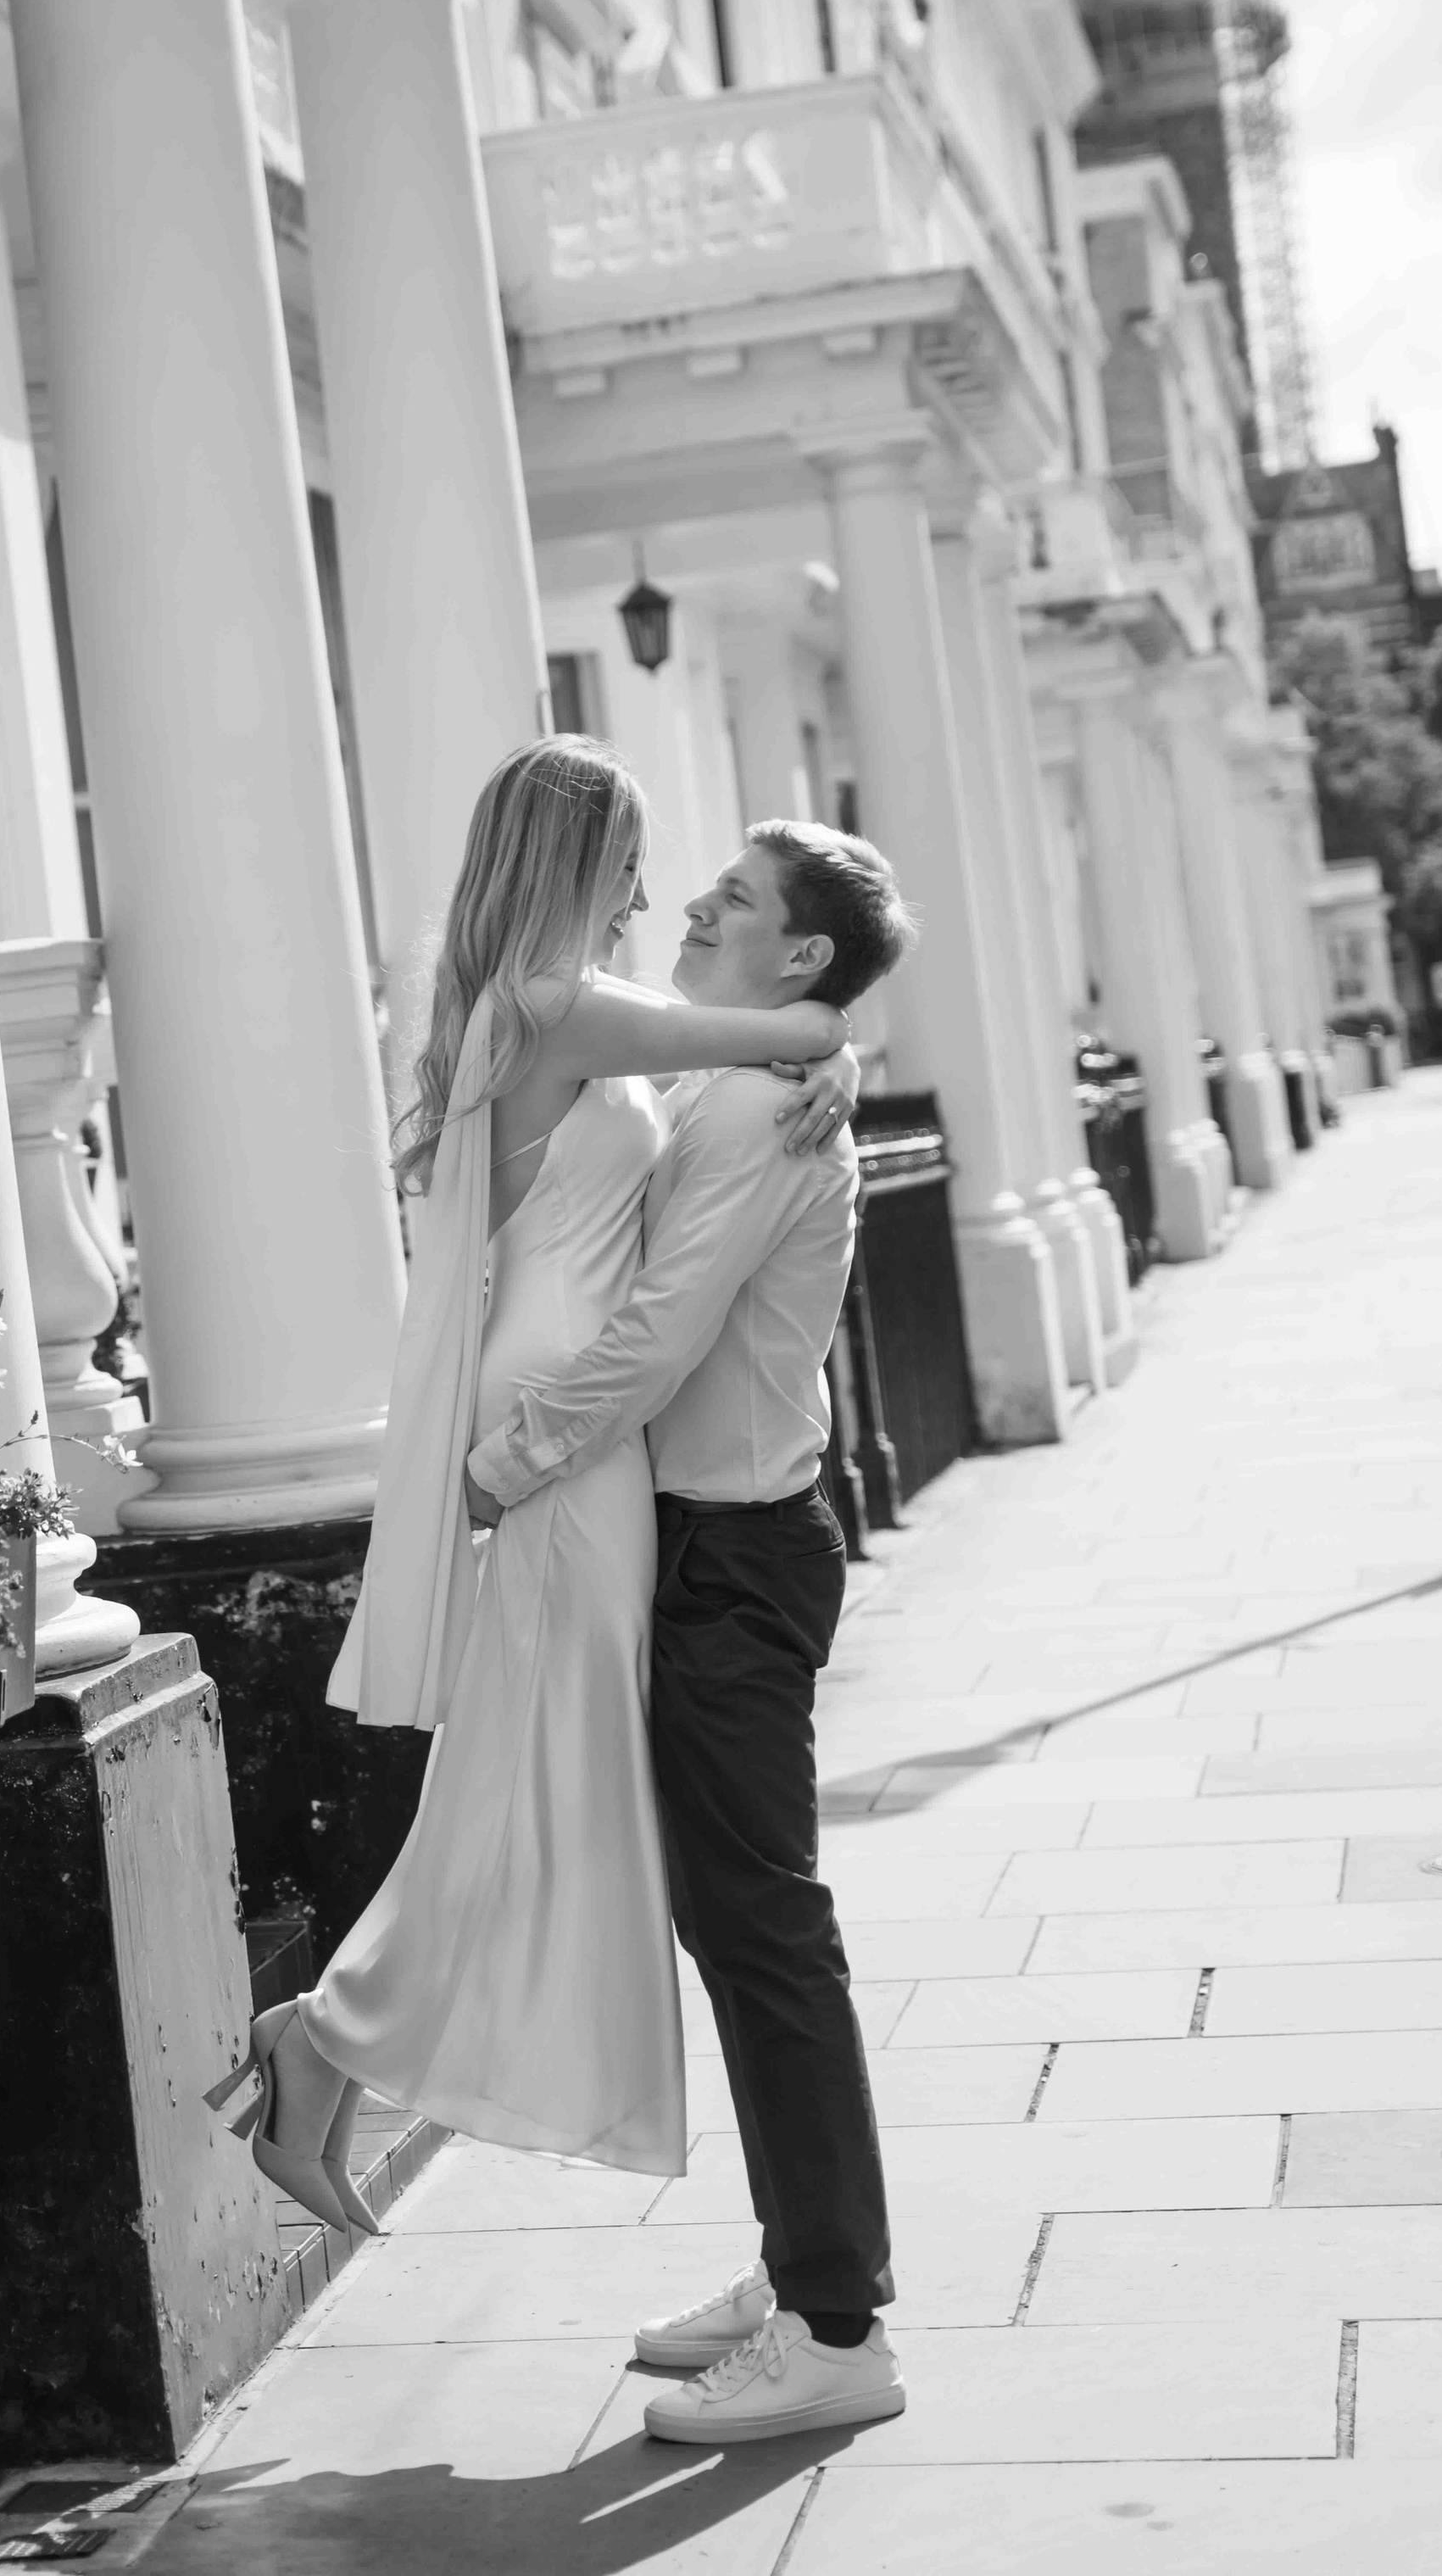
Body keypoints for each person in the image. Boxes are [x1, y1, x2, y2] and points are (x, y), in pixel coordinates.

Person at [209, 738, 861, 2228]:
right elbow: (789, 1018)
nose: (650, 890)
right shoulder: (552, 1004)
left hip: (560, 1394)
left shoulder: (534, 1004)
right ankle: (323, 2043)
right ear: (579, 860)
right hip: (569, 1405)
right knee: (538, 1768)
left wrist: (818, 1059)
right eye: (631, 857)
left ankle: (329, 2046)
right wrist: (828, 1050)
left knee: (542, 1761)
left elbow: (769, 1038)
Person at [466, 817, 916, 2446]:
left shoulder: (755, 1116)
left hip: (734, 1556)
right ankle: (803, 2269)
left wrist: (501, 1467)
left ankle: (838, 2327)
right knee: (739, 1933)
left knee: (765, 1931)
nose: (702, 903)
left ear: (797, 956)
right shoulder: (759, 1079)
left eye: (735, 898)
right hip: (710, 1551)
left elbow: (660, 1339)